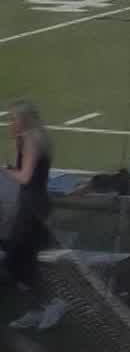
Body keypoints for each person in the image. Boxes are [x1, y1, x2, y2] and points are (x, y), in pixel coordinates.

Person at [5, 101, 63, 331]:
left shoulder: (31, 139)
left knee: (18, 258)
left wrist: (3, 170)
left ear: (24, 119)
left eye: (13, 119)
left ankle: (48, 304)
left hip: (32, 208)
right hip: (35, 204)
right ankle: (40, 307)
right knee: (24, 259)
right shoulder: (38, 137)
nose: (10, 123)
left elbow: (25, 177)